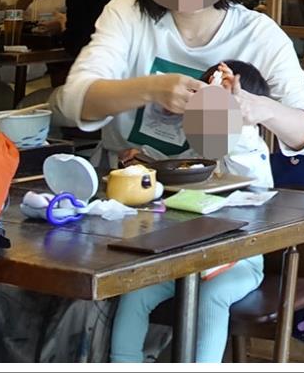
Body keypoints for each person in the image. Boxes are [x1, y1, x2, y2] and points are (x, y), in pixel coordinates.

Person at [60, 0, 304, 187]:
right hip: (129, 184)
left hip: (221, 191)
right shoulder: (130, 9)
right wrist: (151, 89)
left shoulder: (257, 34)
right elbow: (75, 100)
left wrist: (261, 108)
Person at [105, 57, 280, 362]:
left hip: (239, 261)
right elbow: (175, 168)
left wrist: (234, 113)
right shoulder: (195, 148)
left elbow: (243, 157)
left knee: (212, 297)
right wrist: (141, 159)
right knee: (136, 291)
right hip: (185, 258)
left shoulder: (252, 150)